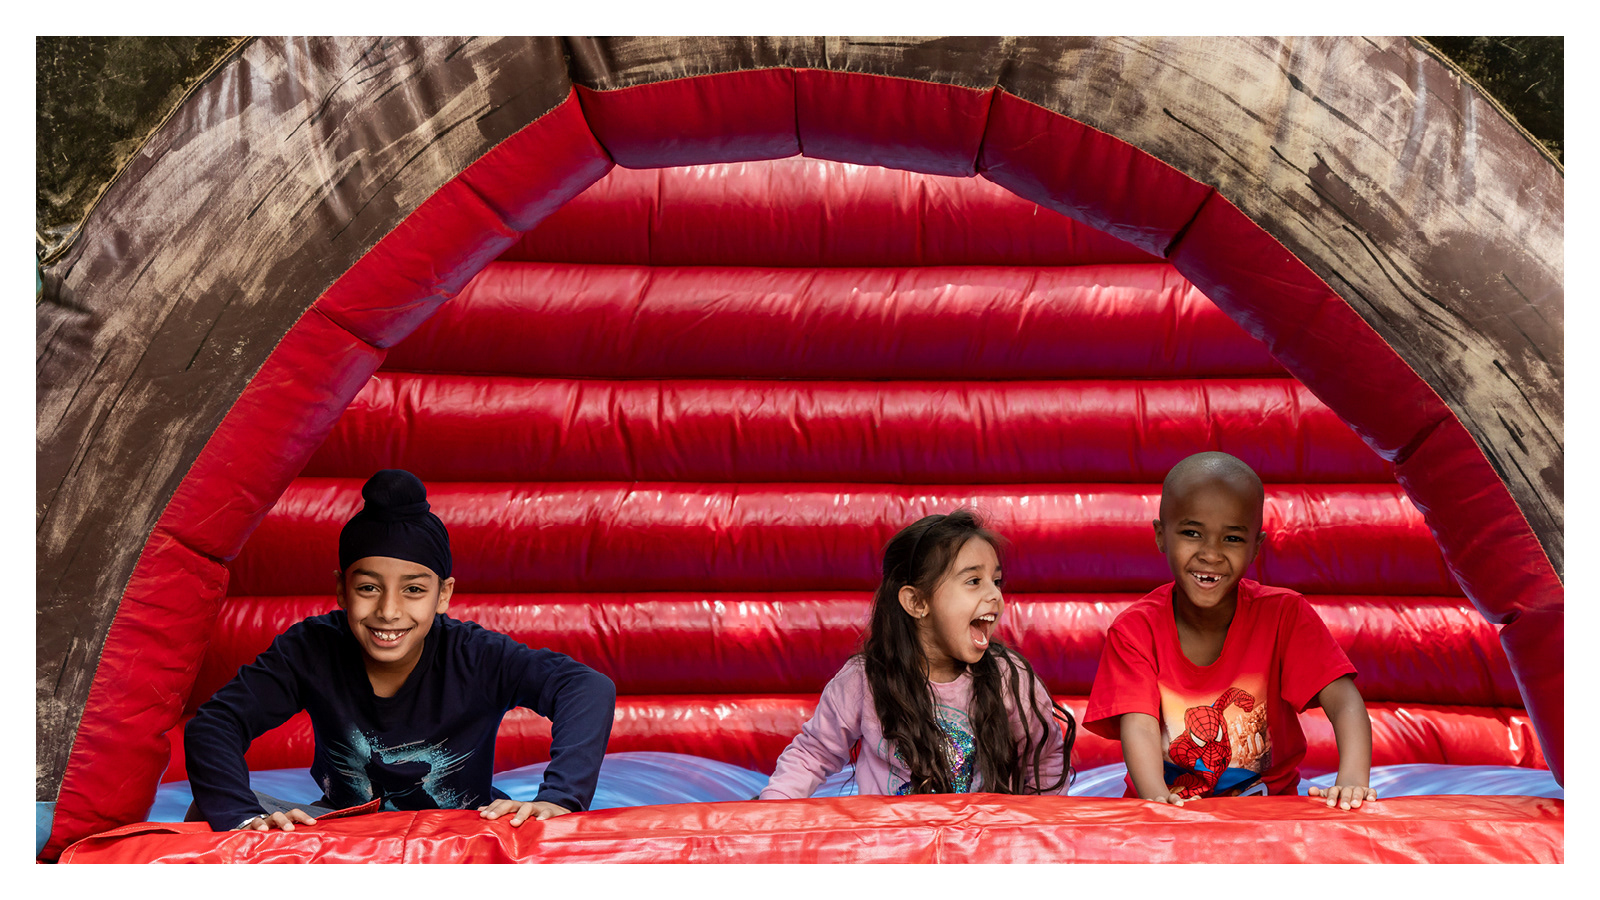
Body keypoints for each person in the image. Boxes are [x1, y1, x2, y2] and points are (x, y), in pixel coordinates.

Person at [184, 469, 616, 832]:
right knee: (208, 810)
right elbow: (218, 722)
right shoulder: (312, 649)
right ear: (342, 590)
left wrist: (560, 797)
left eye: (413, 590)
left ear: (443, 595)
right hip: (342, 831)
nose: (389, 612)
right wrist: (244, 817)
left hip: (462, 833)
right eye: (368, 588)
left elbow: (585, 687)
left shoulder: (476, 656)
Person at [1084, 451, 1377, 808]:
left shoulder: (1284, 615)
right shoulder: (1135, 630)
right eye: (1192, 533)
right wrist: (1156, 798)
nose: (1211, 554)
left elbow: (1344, 701)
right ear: (1161, 536)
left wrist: (1352, 780)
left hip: (1266, 810)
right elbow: (1140, 725)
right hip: (1170, 808)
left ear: (1256, 547)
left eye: (1233, 539)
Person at [760, 509, 1074, 799]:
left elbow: (1045, 761)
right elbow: (812, 754)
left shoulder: (1009, 677)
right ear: (917, 603)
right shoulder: (866, 680)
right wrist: (772, 812)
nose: (995, 595)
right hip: (892, 837)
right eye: (974, 581)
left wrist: (1040, 828)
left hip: (979, 837)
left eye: (996, 581)